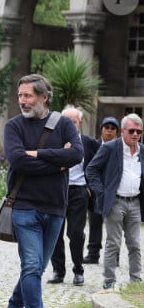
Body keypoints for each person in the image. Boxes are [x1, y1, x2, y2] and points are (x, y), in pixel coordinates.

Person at [1, 74, 82, 308]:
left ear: (44, 97)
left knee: (37, 267)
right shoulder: (13, 126)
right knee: (33, 265)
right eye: (20, 95)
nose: (22, 101)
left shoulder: (64, 124)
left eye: (28, 96)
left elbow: (76, 155)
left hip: (57, 207)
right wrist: (58, 161)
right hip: (24, 206)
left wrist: (37, 154)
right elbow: (18, 161)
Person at [86, 113, 144, 290]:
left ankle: (136, 280)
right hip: (115, 202)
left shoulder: (142, 150)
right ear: (124, 131)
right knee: (113, 243)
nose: (135, 134)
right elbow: (91, 169)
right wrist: (102, 193)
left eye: (139, 131)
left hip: (135, 202)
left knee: (135, 243)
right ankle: (109, 280)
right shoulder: (111, 147)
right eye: (132, 130)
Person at [46, 106, 99, 286]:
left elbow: (98, 166)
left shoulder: (88, 143)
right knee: (54, 232)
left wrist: (91, 187)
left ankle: (78, 269)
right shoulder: (53, 141)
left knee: (76, 233)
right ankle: (58, 270)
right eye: (66, 121)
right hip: (57, 191)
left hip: (78, 192)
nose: (69, 125)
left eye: (73, 122)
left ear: (80, 123)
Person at [84, 116, 120, 264]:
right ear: (101, 131)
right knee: (94, 223)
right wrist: (87, 186)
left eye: (113, 129)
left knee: (115, 226)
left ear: (117, 132)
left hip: (114, 192)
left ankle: (114, 256)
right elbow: (87, 166)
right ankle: (93, 254)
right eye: (107, 128)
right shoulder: (93, 146)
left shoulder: (120, 148)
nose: (109, 131)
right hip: (95, 191)